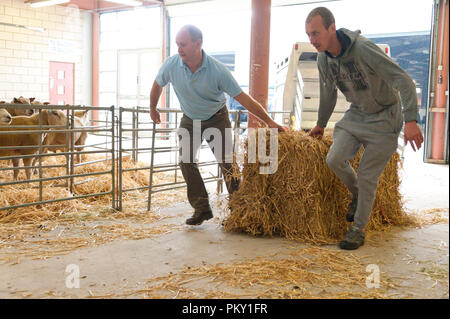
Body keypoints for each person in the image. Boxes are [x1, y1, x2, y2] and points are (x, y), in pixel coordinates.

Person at [305, 7, 424, 250]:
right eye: (308, 35)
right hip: (357, 114)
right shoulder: (323, 59)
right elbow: (328, 93)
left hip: (385, 117)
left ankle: (357, 229)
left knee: (368, 176)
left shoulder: (363, 49)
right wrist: (320, 124)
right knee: (334, 158)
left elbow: (404, 81)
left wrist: (411, 120)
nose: (312, 40)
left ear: (331, 27)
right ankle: (357, 193)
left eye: (316, 33)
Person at [150, 25, 287, 226]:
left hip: (216, 117)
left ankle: (240, 208)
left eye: (183, 44)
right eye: (178, 44)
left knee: (227, 163)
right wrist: (152, 107)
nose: (179, 49)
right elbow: (157, 84)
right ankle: (202, 207)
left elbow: (244, 99)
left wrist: (269, 121)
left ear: (198, 44)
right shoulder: (171, 65)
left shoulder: (217, 70)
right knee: (185, 160)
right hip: (190, 119)